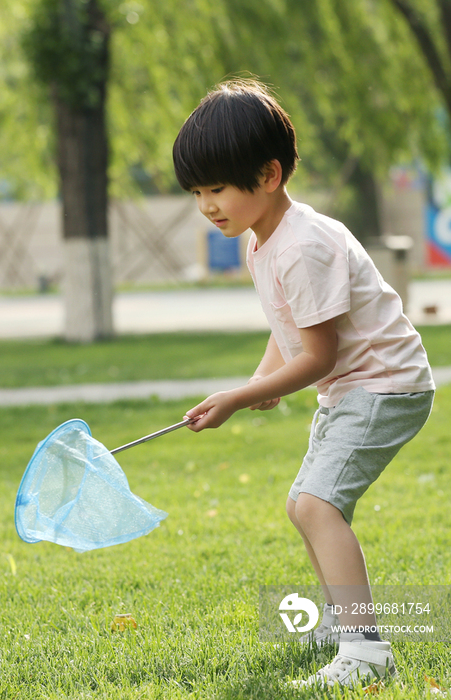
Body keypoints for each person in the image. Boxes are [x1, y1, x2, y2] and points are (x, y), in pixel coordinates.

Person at [172, 78, 435, 689]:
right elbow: (289, 329)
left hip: (384, 386)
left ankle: (365, 650)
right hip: (355, 386)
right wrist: (264, 379)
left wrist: (240, 398)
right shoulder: (264, 242)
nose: (207, 205)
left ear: (268, 175)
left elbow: (318, 356)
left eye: (217, 188)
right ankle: (341, 625)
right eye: (196, 191)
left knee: (318, 505)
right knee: (303, 504)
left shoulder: (302, 247)